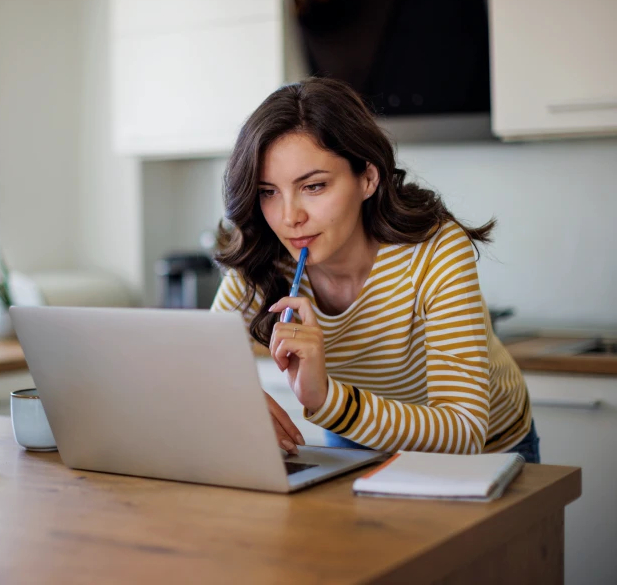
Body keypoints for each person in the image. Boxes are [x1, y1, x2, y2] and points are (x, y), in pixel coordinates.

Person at [210, 78, 539, 463]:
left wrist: (328, 400)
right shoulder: (266, 255)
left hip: (486, 451)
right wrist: (234, 398)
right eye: (268, 192)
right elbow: (200, 365)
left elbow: (464, 429)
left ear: (367, 177)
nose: (289, 218)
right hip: (358, 438)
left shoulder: (435, 249)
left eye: (314, 186)